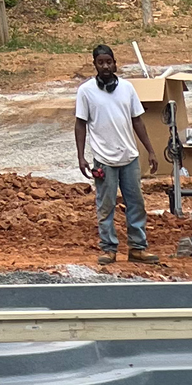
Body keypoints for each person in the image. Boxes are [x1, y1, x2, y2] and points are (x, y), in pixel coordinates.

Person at [73, 44, 161, 262]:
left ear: (115, 63)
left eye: (108, 62)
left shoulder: (128, 88)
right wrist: (81, 156)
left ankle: (137, 248)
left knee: (136, 203)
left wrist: (150, 150)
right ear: (94, 65)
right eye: (100, 62)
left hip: (129, 157)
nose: (105, 66)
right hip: (104, 160)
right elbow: (80, 124)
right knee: (106, 205)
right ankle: (108, 249)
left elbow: (137, 120)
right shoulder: (86, 92)